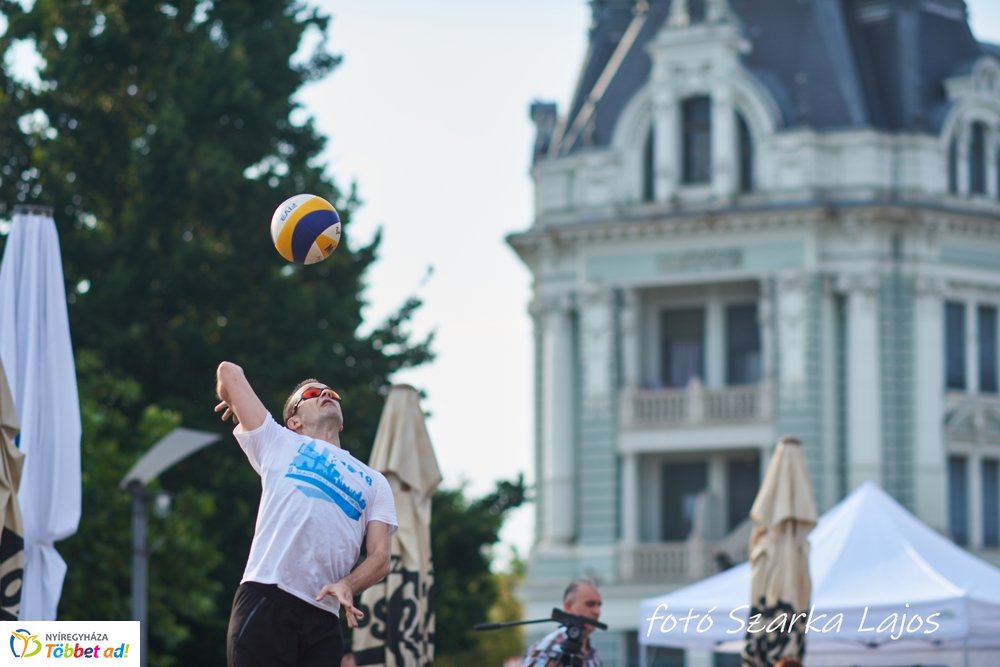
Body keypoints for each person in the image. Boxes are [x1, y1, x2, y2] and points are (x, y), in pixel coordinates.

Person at [215, 361, 398, 667]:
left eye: (332, 393)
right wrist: (232, 399)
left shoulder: (375, 481)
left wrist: (348, 585)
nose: (326, 393)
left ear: (341, 422)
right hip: (268, 595)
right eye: (313, 393)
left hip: (323, 615)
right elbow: (229, 372)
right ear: (294, 421)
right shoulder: (277, 440)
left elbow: (380, 557)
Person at [522, 578, 603, 666]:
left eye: (599, 605)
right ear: (568, 606)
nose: (597, 612)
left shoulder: (592, 650)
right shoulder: (546, 649)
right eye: (590, 604)